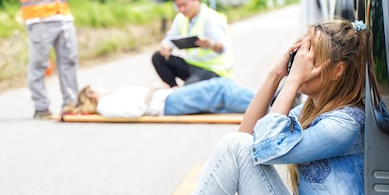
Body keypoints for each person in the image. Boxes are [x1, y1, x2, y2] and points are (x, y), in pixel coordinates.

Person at [23, 19, 372, 195]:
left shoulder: (345, 124)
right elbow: (246, 136)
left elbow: (258, 146)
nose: (299, 61)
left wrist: (292, 81)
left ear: (337, 71)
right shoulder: (313, 111)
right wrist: (274, 74)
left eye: (309, 57)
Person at [152, 0, 234, 87]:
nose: (181, 9)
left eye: (184, 5)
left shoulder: (211, 18)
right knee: (158, 57)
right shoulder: (181, 17)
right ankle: (174, 90)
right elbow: (170, 37)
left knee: (189, 88)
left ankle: (184, 94)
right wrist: (166, 46)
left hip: (214, 70)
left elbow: (223, 47)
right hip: (193, 65)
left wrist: (211, 44)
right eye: (178, 6)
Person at [75, 77, 255, 118]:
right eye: (95, 87)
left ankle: (266, 103)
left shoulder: (109, 100)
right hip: (168, 103)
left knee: (221, 96)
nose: (100, 86)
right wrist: (152, 90)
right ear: (91, 94)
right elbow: (135, 110)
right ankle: (268, 102)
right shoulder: (105, 106)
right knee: (220, 87)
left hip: (170, 97)